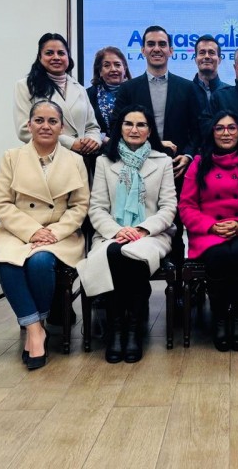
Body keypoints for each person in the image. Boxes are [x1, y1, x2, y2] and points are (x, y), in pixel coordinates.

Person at [0, 100, 90, 370]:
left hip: (59, 233)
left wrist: (53, 232)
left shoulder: (75, 160)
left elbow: (80, 206)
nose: (46, 126)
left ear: (62, 127)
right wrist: (33, 230)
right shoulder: (11, 157)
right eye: (39, 120)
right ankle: (35, 329)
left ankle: (35, 323)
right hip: (16, 229)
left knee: (40, 261)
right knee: (7, 261)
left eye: (52, 121)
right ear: (29, 125)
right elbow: (2, 203)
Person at [78, 104, 177, 364]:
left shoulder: (163, 161)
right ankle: (116, 330)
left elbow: (168, 207)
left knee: (131, 254)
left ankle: (132, 331)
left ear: (149, 130)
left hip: (152, 234)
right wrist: (118, 230)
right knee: (114, 251)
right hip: (112, 233)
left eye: (141, 124)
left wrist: (142, 229)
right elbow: (97, 207)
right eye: (128, 124)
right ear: (119, 128)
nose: (134, 129)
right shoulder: (104, 161)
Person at [179, 111, 238, 351]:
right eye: (219, 128)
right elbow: (186, 206)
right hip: (208, 229)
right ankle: (220, 317)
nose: (226, 133)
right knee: (218, 255)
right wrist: (210, 225)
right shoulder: (199, 164)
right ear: (212, 133)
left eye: (231, 128)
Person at [114, 25, 201, 266]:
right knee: (137, 230)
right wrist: (154, 143)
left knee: (176, 229)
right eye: (151, 44)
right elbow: (116, 128)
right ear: (142, 50)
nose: (157, 49)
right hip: (138, 170)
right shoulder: (128, 89)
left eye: (162, 44)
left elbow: (198, 131)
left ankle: (179, 284)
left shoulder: (188, 88)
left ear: (171, 50)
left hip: (177, 169)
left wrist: (188, 155)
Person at [13, 33, 101, 156]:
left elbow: (92, 127)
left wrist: (93, 140)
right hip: (44, 157)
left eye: (61, 53)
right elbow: (24, 130)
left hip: (79, 158)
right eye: (49, 53)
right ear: (39, 57)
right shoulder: (25, 86)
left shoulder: (80, 89)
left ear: (68, 57)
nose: (56, 57)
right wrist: (71, 144)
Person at [86, 46, 132, 145]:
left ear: (124, 69)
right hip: (99, 148)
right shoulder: (88, 95)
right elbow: (84, 127)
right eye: (107, 65)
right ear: (100, 71)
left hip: (132, 147)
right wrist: (103, 138)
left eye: (117, 65)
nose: (113, 69)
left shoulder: (135, 91)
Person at [191, 34, 228, 112]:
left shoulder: (230, 93)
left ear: (219, 60)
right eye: (202, 52)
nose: (207, 56)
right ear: (195, 59)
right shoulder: (185, 92)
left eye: (211, 52)